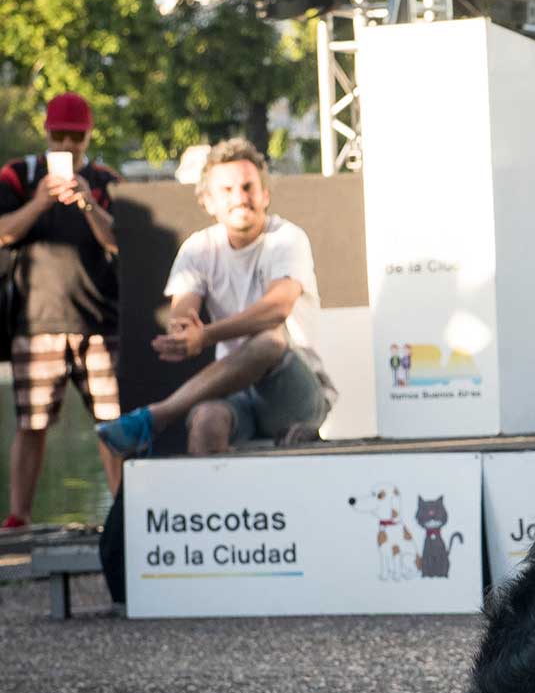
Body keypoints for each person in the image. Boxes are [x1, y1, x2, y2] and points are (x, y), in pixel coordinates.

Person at [97, 138, 334, 457]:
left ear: (265, 195)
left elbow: (276, 309)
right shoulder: (198, 248)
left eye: (248, 187)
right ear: (207, 202)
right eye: (227, 190)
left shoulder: (286, 238)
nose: (240, 198)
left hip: (296, 392)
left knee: (269, 341)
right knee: (207, 421)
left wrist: (205, 335)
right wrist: (183, 333)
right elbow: (183, 313)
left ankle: (158, 416)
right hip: (237, 393)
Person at [0, 92, 122, 528]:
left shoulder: (105, 179)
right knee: (31, 425)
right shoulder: (18, 175)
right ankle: (19, 517)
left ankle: (123, 514)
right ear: (46, 133)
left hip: (100, 323)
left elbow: (119, 241)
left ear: (89, 135)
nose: (68, 145)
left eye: (77, 136)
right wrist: (40, 202)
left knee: (113, 426)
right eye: (60, 135)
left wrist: (87, 201)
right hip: (36, 322)